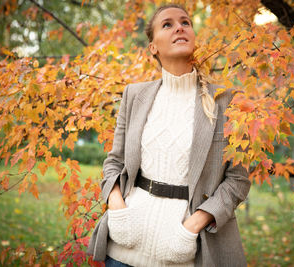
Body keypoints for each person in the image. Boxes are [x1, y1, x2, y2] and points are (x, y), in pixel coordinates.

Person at [86, 4, 251, 267]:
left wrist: (192, 226)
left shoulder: (226, 100)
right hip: (123, 249)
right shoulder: (134, 95)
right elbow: (114, 162)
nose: (179, 27)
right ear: (153, 47)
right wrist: (117, 208)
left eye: (186, 22)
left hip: (187, 250)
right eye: (167, 24)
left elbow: (237, 180)